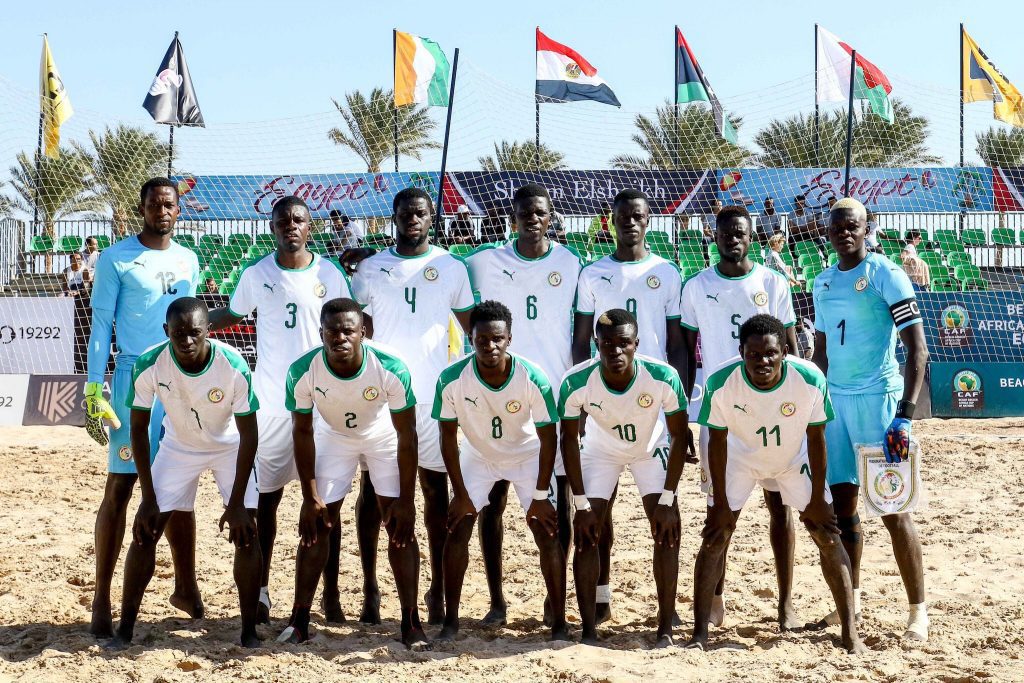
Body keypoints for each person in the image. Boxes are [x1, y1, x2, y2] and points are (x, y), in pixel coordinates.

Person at [208, 195, 353, 625]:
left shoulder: (330, 274)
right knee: (265, 503)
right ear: (272, 228)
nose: (291, 225)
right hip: (271, 406)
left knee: (326, 506)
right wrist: (191, 321)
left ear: (310, 227)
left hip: (322, 408)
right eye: (282, 221)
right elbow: (231, 314)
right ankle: (263, 591)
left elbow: (352, 324)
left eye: (298, 220)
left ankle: (329, 593)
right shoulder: (256, 274)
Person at [685, 314, 864, 654]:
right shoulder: (721, 382)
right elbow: (717, 442)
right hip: (740, 459)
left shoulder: (809, 378)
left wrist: (817, 498)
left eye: (770, 353)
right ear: (742, 353)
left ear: (784, 351)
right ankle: (699, 633)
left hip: (792, 460)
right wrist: (719, 502)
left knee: (827, 534)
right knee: (715, 536)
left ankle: (850, 634)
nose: (762, 361)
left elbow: (817, 438)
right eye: (754, 354)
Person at [84, 177, 202, 638]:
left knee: (180, 483)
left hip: (181, 378)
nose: (162, 211)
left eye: (169, 204)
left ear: (178, 210)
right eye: (154, 204)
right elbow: (100, 324)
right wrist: (94, 387)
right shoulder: (116, 258)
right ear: (142, 208)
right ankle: (101, 598)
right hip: (134, 378)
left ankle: (185, 586)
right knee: (121, 485)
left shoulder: (189, 258)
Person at [351, 187, 475, 625]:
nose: (413, 219)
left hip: (431, 396)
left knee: (435, 494)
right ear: (395, 217)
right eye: (405, 213)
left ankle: (437, 588)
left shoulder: (451, 267)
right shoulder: (371, 268)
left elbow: (472, 327)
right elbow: (356, 324)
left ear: (431, 217)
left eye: (420, 213)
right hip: (383, 396)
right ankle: (370, 588)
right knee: (373, 493)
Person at [276, 298, 429, 649]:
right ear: (321, 333)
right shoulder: (303, 370)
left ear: (363, 333)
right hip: (334, 437)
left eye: (348, 331)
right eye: (332, 331)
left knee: (399, 526)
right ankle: (299, 620)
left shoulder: (390, 366)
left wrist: (407, 500)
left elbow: (407, 435)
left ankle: (410, 622)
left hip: (381, 436)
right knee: (318, 524)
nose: (340, 338)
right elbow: (302, 431)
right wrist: (309, 496)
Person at [811, 197, 930, 641]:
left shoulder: (886, 273)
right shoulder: (822, 282)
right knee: (842, 508)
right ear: (828, 232)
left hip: (879, 403)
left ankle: (918, 612)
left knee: (893, 510)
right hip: (835, 407)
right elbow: (820, 355)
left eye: (853, 226)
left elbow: (918, 350)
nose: (845, 232)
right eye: (837, 227)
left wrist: (905, 417)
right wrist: (812, 406)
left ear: (867, 229)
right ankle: (852, 602)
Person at [111, 298, 261, 648]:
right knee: (145, 532)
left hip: (229, 448)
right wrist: (147, 497)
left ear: (209, 330)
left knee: (246, 532)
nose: (187, 340)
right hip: (179, 447)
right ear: (167, 331)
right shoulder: (150, 362)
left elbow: (249, 435)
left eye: (195, 332)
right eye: (178, 333)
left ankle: (249, 632)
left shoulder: (233, 365)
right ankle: (125, 629)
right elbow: (138, 429)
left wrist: (237, 504)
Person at [464, 183, 582, 626]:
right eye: (524, 212)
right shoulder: (483, 262)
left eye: (539, 212)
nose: (532, 219)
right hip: (498, 394)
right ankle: (497, 600)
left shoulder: (571, 263)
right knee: (492, 501)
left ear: (551, 217)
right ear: (512, 218)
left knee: (559, 502)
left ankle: (557, 599)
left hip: (552, 396)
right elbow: (440, 272)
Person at [680, 204, 800, 631]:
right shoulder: (696, 287)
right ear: (715, 237)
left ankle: (786, 603)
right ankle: (715, 599)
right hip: (722, 418)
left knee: (780, 508)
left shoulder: (772, 282)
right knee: (719, 514)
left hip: (772, 413)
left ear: (751, 238)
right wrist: (685, 415)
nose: (733, 238)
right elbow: (685, 354)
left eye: (740, 233)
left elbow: (791, 349)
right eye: (726, 232)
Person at [572, 188, 686, 624]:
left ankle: (667, 615)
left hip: (653, 407)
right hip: (604, 405)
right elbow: (581, 342)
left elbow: (677, 345)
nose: (631, 223)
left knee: (663, 514)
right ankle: (600, 598)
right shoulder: (592, 274)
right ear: (612, 221)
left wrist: (678, 412)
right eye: (623, 216)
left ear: (648, 221)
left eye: (638, 216)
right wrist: (585, 405)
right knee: (597, 514)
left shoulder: (667, 272)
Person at [434, 301, 568, 641]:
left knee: (547, 532)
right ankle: (451, 622)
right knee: (457, 528)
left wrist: (541, 495)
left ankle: (559, 622)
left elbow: (548, 437)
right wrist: (460, 493)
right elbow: (447, 437)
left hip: (527, 456)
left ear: (509, 339)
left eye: (497, 339)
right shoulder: (452, 379)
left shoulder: (531, 376)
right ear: (471, 338)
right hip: (479, 456)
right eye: (482, 339)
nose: (490, 346)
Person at [560, 308, 688, 646]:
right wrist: (580, 503)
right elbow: (568, 440)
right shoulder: (576, 381)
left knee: (667, 530)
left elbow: (679, 436)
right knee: (586, 532)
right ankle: (589, 630)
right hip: (600, 452)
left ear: (636, 344)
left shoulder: (663, 376)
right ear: (596, 344)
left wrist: (668, 499)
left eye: (623, 343)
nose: (615, 351)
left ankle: (665, 627)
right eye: (606, 344)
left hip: (649, 450)